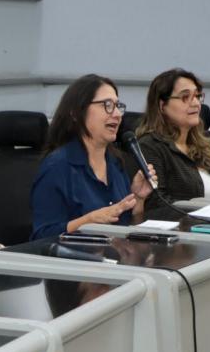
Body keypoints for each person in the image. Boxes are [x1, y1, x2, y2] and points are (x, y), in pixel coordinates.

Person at [29, 75, 156, 239]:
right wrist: (88, 221)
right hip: (77, 262)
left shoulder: (115, 163)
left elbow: (127, 226)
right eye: (107, 105)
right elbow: (41, 237)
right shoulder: (57, 167)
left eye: (118, 106)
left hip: (116, 260)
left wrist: (138, 199)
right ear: (76, 113)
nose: (117, 114)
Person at [129, 68, 210, 218]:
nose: (196, 103)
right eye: (185, 97)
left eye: (198, 96)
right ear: (162, 105)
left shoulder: (202, 146)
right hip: (179, 233)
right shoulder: (150, 146)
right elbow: (157, 203)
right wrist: (204, 214)